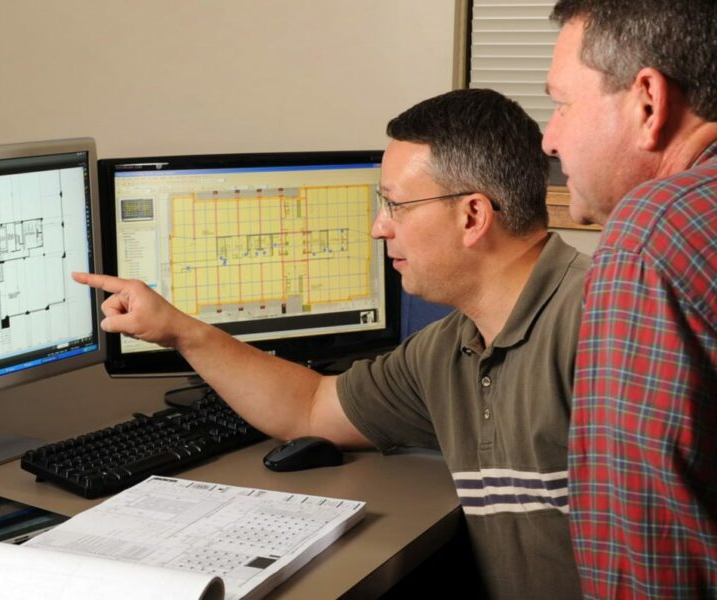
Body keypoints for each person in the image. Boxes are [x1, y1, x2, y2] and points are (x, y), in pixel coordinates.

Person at [76, 88, 590, 599]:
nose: (378, 228)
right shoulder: (449, 348)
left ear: (472, 216)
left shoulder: (597, 329)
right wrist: (180, 331)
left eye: (395, 205)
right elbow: (311, 407)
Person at [543, 1, 717, 597]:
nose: (549, 138)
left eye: (562, 104)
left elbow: (648, 563)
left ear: (648, 102)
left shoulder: (652, 235)